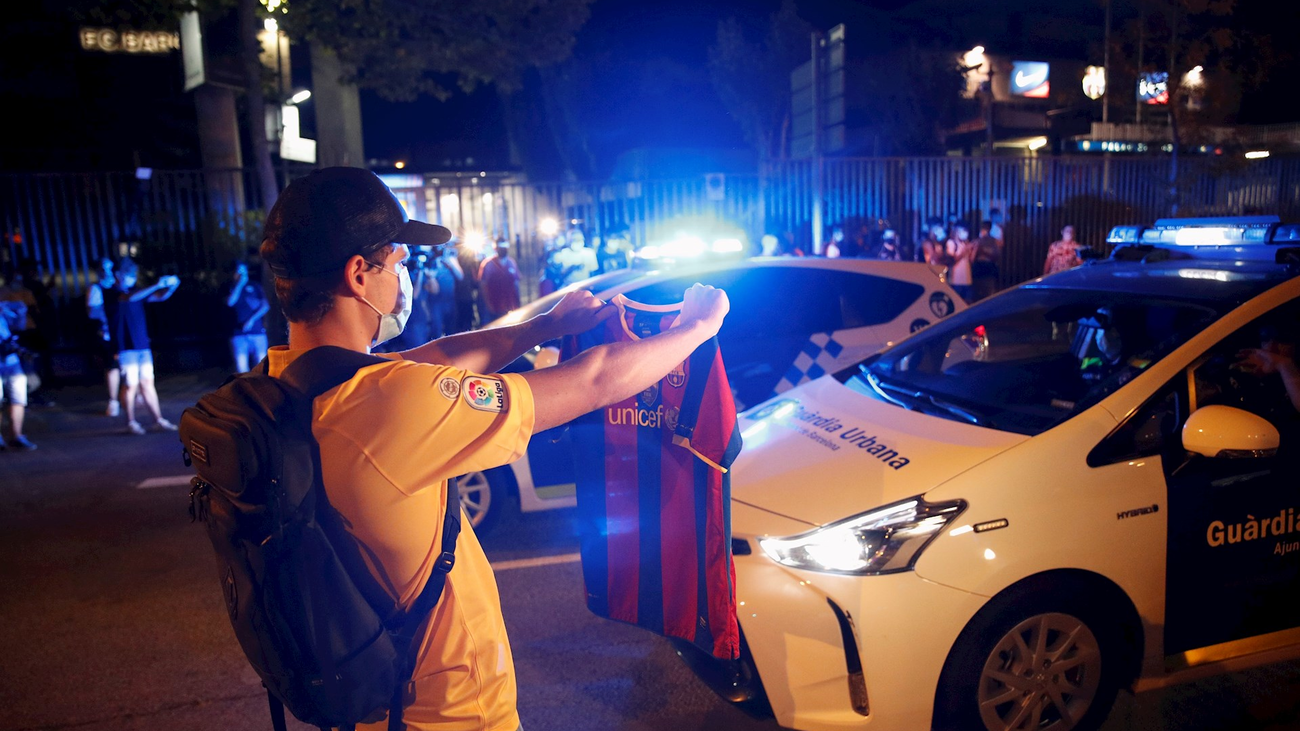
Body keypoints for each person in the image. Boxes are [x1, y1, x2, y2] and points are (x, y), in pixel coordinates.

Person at [256, 166, 730, 731]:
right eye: (400, 261)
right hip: (450, 717)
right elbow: (594, 380)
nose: (405, 275)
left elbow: (435, 358)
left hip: (365, 709)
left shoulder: (290, 385)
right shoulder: (392, 406)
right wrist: (697, 329)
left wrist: (544, 326)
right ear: (359, 274)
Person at [104, 259, 180, 435]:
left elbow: (160, 296)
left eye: (133, 274)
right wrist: (156, 284)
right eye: (129, 274)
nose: (132, 278)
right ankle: (131, 421)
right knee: (130, 385)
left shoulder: (136, 291)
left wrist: (172, 286)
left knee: (147, 382)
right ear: (117, 275)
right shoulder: (110, 293)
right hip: (125, 346)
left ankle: (158, 420)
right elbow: (129, 298)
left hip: (141, 345)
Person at [84, 257, 123, 416]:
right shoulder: (96, 289)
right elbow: (92, 313)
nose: (107, 272)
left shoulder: (119, 287)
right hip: (108, 333)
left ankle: (136, 395)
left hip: (123, 331)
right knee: (112, 366)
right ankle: (113, 401)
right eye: (103, 269)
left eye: (110, 268)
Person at [222, 260, 270, 373]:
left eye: (244, 271)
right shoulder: (227, 286)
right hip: (237, 334)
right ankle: (245, 390)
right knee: (241, 368)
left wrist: (251, 320)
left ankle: (261, 389)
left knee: (261, 366)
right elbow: (230, 302)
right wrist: (240, 285)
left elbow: (265, 306)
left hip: (257, 332)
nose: (241, 274)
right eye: (238, 271)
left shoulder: (255, 286)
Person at [0, 299, 36, 450]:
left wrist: (19, 312)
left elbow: (20, 327)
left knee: (18, 399)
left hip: (11, 361)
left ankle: (17, 435)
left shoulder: (3, 311)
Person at [477, 237, 521, 324]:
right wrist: (488, 305)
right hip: (494, 306)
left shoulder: (511, 263)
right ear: (496, 248)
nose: (502, 250)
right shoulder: (488, 264)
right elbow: (483, 285)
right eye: (500, 247)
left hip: (509, 305)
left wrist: (517, 302)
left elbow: (516, 282)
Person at [453, 235, 482, 333]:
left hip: (468, 297)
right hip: (458, 298)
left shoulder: (471, 261)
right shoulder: (455, 260)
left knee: (469, 322)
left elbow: (475, 281)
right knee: (461, 324)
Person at [945, 223, 977, 302]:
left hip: (967, 280)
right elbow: (952, 260)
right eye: (963, 231)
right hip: (955, 281)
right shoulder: (951, 243)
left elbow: (971, 260)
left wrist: (974, 249)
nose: (966, 233)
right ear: (957, 231)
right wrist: (966, 250)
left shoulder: (964, 243)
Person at [972, 220, 1003, 301]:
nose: (983, 231)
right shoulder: (977, 241)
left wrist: (984, 252)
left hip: (989, 269)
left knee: (988, 294)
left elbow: (997, 256)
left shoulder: (993, 241)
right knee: (977, 293)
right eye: (982, 228)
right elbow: (971, 258)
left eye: (985, 228)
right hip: (978, 268)